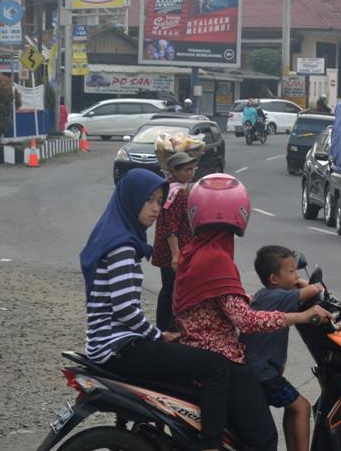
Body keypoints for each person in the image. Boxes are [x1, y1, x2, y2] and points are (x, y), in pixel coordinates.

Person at [79, 169, 240, 451]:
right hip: (120, 347)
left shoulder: (114, 235)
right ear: (130, 201)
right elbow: (126, 309)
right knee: (214, 366)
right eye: (148, 201)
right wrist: (157, 335)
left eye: (158, 201)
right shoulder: (122, 246)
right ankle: (211, 446)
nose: (155, 208)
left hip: (108, 343)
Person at [173, 174, 332, 451]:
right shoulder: (217, 259)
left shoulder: (193, 252)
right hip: (223, 358)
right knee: (263, 439)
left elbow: (218, 301)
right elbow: (245, 319)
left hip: (197, 350)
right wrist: (302, 316)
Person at [242, 246, 324, 451]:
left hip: (258, 370)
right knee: (302, 407)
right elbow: (315, 289)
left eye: (296, 271)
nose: (295, 275)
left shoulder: (266, 296)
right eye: (291, 271)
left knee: (292, 407)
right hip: (263, 373)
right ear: (274, 278)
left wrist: (295, 281)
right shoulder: (277, 297)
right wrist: (309, 283)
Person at [150, 152, 197, 331]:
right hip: (174, 250)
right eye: (186, 170)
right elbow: (172, 226)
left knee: (169, 289)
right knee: (172, 290)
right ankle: (167, 327)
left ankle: (166, 326)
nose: (190, 173)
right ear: (174, 171)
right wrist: (176, 255)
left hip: (174, 248)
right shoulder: (175, 192)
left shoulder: (173, 188)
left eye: (192, 169)